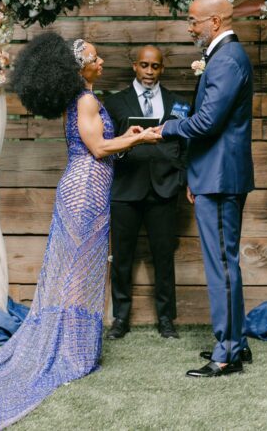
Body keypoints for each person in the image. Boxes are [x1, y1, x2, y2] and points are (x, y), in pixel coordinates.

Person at [0, 32, 161, 429]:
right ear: (81, 67)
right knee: (79, 270)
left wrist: (126, 140)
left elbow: (99, 144)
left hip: (84, 186)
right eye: (95, 58)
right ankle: (71, 353)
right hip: (85, 190)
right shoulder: (87, 99)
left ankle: (71, 347)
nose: (101, 62)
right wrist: (142, 136)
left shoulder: (77, 100)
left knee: (78, 270)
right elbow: (97, 150)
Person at [156, 0, 254, 377]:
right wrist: (194, 174)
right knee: (225, 263)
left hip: (221, 177)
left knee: (222, 267)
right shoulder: (225, 56)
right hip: (214, 174)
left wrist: (163, 130)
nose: (190, 26)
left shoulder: (227, 59)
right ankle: (238, 342)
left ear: (214, 22)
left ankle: (227, 352)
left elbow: (205, 123)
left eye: (194, 20)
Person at [104, 45, 188, 340]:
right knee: (122, 257)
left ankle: (167, 319)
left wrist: (183, 179)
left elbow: (185, 148)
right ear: (134, 67)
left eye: (155, 66)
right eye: (144, 65)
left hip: (164, 190)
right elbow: (107, 145)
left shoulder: (179, 103)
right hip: (125, 189)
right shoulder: (114, 103)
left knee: (164, 257)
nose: (150, 72)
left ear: (162, 68)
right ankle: (120, 318)